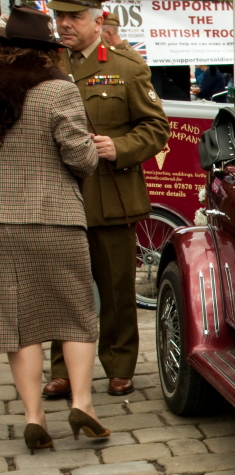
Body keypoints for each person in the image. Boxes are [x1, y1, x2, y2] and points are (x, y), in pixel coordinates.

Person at [44, 0, 170, 399]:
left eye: (74, 17)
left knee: (116, 289)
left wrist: (119, 146)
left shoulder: (125, 66)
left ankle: (119, 365)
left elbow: (156, 128)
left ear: (98, 22)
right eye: (60, 17)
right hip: (59, 194)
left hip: (110, 195)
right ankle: (63, 369)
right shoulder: (46, 66)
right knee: (62, 288)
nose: (65, 24)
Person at [0, 5, 109, 451]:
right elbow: (80, 158)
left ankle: (32, 415)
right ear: (49, 50)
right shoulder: (57, 90)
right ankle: (82, 401)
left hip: (4, 221)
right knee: (78, 312)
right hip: (56, 218)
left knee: (19, 323)